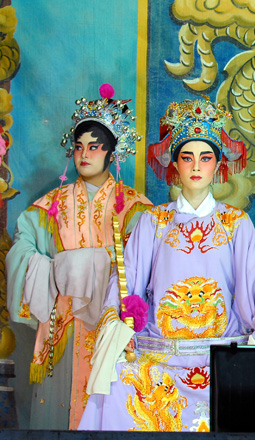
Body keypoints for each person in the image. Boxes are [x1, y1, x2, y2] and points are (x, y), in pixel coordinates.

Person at [79, 98, 255, 432]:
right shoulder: (153, 222)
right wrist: (123, 326)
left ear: (218, 164)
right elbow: (125, 284)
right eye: (186, 157)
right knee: (118, 383)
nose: (195, 166)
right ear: (174, 164)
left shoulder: (235, 223)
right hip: (159, 360)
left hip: (222, 360)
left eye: (205, 158)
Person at [6, 84, 151, 429]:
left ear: (112, 152)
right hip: (63, 322)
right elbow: (21, 250)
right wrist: (55, 268)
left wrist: (98, 266)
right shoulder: (49, 207)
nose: (85, 154)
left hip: (111, 325)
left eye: (95, 147)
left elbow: (147, 266)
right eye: (79, 146)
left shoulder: (136, 208)